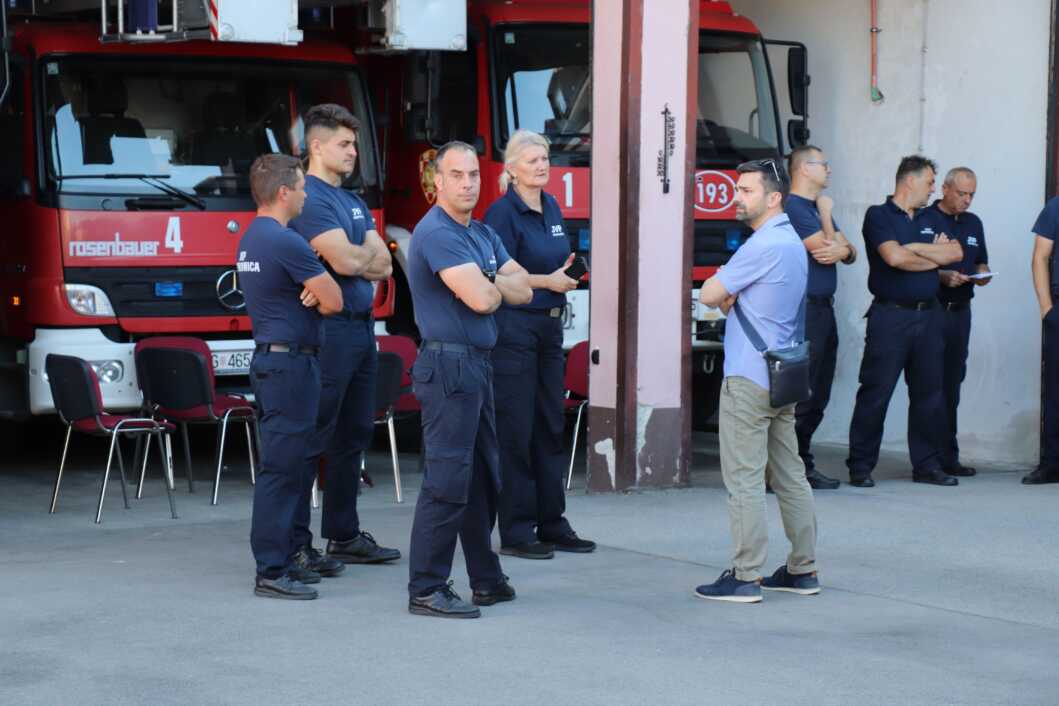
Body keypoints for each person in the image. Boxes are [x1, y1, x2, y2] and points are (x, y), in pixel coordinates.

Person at [406, 141, 533, 618]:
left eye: (474, 175)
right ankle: (427, 587)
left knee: (482, 479)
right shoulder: (437, 232)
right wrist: (493, 281)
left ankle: (485, 578)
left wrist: (491, 280)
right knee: (447, 480)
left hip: (477, 364)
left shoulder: (479, 233)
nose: (467, 184)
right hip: (448, 367)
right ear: (438, 181)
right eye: (456, 175)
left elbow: (520, 288)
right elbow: (484, 299)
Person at [695, 159, 819, 604]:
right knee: (790, 474)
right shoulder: (792, 242)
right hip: (782, 374)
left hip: (749, 376)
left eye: (746, 190)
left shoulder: (763, 244)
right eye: (738, 188)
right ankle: (803, 569)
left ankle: (746, 576)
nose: (736, 196)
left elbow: (710, 294)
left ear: (773, 198)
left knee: (744, 479)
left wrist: (727, 291)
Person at [288, 104, 401, 575]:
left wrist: (360, 257)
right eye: (344, 144)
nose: (353, 152)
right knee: (313, 434)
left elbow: (383, 264)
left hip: (361, 329)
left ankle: (343, 534)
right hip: (328, 331)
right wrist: (360, 256)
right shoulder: (308, 197)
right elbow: (353, 262)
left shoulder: (353, 201)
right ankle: (295, 543)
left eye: (354, 144)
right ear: (317, 146)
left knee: (353, 433)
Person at [482, 129, 596, 559]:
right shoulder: (500, 215)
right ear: (511, 170)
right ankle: (516, 529)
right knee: (516, 428)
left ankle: (553, 522)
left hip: (550, 329)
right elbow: (497, 275)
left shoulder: (550, 205)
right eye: (532, 160)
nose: (542, 166)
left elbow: (551, 257)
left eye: (545, 158)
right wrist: (546, 281)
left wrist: (564, 270)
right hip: (514, 328)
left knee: (549, 424)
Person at [239, 154, 344, 600]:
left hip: (274, 362)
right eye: (301, 187)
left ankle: (285, 555)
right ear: (284, 192)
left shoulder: (252, 237)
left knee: (288, 464)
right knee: (283, 469)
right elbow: (336, 300)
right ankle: (272, 568)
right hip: (291, 366)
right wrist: (318, 288)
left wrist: (313, 290)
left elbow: (318, 295)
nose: (305, 193)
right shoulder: (287, 242)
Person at [846, 156, 963, 488]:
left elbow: (954, 253)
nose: (932, 190)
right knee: (876, 391)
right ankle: (860, 464)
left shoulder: (930, 217)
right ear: (909, 181)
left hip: (930, 315)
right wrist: (929, 253)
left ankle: (926, 465)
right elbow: (894, 258)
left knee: (929, 393)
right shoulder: (878, 215)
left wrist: (913, 248)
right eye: (929, 183)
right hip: (890, 316)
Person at [785, 145, 857, 490]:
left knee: (821, 390)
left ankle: (801, 462)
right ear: (803, 169)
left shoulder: (817, 207)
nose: (829, 170)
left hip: (824, 308)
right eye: (823, 165)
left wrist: (842, 246)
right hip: (804, 310)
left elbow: (850, 252)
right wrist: (829, 220)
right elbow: (827, 252)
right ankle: (788, 468)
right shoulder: (795, 208)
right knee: (802, 390)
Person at [919, 167, 990, 478]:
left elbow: (980, 260)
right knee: (929, 384)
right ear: (945, 189)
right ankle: (927, 460)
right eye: (962, 193)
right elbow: (912, 264)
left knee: (952, 385)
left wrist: (983, 274)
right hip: (933, 309)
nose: (967, 200)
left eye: (972, 194)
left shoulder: (974, 223)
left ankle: (949, 457)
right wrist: (941, 275)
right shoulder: (924, 219)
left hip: (962, 312)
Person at [1027, 196, 1059, 484]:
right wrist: (1046, 307)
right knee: (1055, 389)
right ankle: (1052, 464)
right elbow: (1040, 256)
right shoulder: (1056, 207)